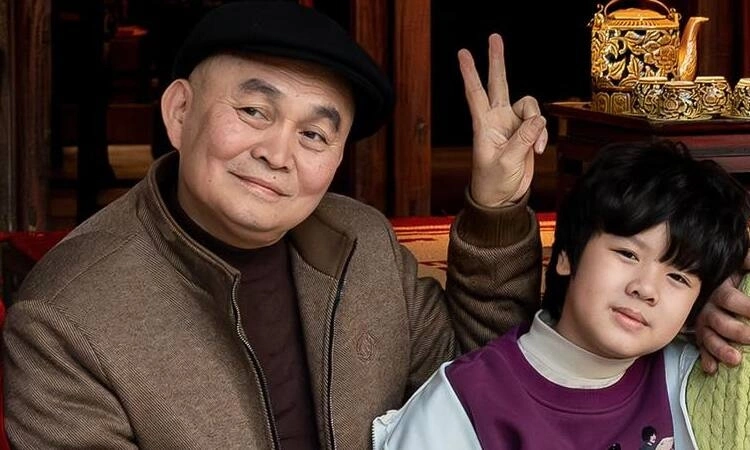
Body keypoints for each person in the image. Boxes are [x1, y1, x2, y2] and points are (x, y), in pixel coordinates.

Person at [1, 0, 747, 448]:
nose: (277, 153)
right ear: (179, 111)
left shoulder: (359, 242)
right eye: (254, 111)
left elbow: (485, 371)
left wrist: (690, 300)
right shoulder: (68, 318)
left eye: (314, 133)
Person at [371, 140, 750, 449]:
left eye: (678, 277)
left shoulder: (687, 378)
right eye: (627, 254)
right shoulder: (463, 405)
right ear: (567, 254)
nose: (646, 288)